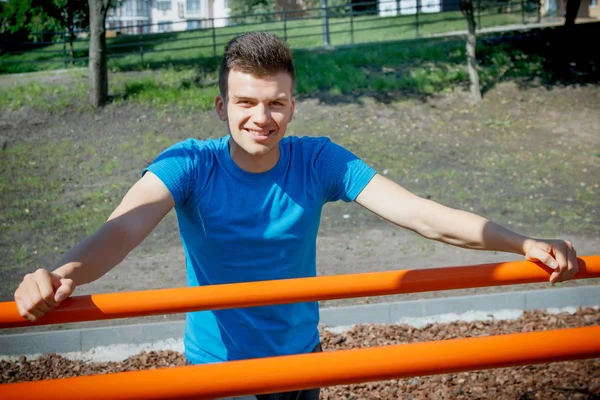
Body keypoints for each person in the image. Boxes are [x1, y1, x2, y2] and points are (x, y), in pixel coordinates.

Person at [14, 32, 578, 400]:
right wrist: (63, 274)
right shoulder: (190, 164)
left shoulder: (318, 160)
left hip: (301, 361)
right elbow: (122, 230)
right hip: (219, 372)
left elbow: (421, 214)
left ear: (292, 105)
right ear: (222, 107)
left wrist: (520, 242)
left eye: (275, 102)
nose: (262, 117)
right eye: (245, 102)